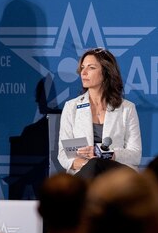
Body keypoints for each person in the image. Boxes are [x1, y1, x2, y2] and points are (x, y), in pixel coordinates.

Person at [57, 48, 142, 179]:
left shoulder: (127, 108)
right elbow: (63, 155)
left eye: (91, 68)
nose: (83, 73)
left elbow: (135, 155)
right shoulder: (71, 107)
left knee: (97, 163)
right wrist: (90, 165)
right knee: (94, 165)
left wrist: (108, 155)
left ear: (106, 72)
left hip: (117, 174)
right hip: (85, 172)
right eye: (82, 67)